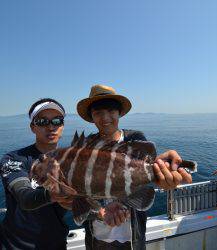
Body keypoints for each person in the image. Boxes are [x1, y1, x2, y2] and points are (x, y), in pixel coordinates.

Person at [76, 84, 192, 250]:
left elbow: (145, 172)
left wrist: (163, 172)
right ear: (92, 117)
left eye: (111, 111)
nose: (105, 117)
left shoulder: (136, 139)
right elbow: (79, 194)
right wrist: (99, 212)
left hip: (133, 238)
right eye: (98, 113)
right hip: (97, 238)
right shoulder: (85, 147)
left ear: (119, 113)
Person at [0, 98, 72, 250]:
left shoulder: (71, 161)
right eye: (42, 121)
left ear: (63, 126)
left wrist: (99, 211)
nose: (51, 126)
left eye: (57, 121)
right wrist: (53, 194)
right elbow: (24, 197)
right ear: (32, 127)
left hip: (57, 244)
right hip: (14, 246)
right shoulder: (14, 159)